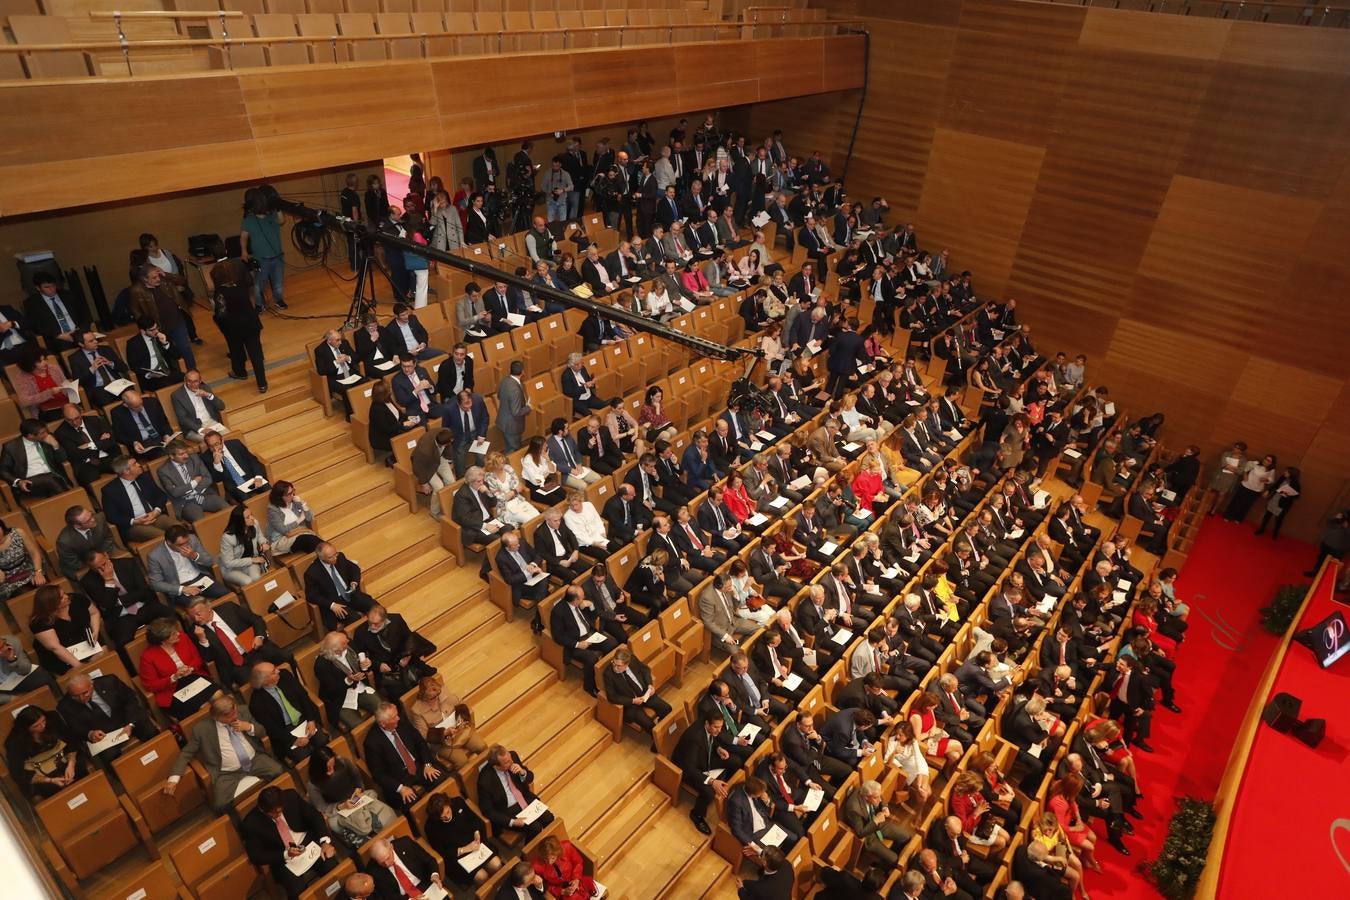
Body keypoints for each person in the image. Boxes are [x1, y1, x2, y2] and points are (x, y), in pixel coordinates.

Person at [165, 694, 283, 811]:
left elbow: (263, 731)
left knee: (278, 771)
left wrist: (249, 727)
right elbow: (186, 753)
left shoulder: (244, 711)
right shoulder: (201, 729)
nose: (235, 716)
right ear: (217, 718)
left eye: (235, 712)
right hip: (226, 773)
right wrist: (173, 779)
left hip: (254, 759)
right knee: (221, 805)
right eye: (230, 717)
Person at [240, 785, 339, 898]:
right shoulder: (251, 823)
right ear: (262, 809)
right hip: (282, 856)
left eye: (281, 810)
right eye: (274, 813)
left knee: (331, 866)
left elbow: (314, 816)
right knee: (297, 891)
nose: (279, 815)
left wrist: (325, 842)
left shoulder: (291, 796)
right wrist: (286, 854)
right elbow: (256, 855)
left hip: (307, 842)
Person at [305, 744, 396, 849]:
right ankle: (369, 846)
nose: (331, 770)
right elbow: (322, 807)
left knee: (385, 815)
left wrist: (358, 789)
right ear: (319, 768)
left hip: (357, 798)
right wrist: (341, 806)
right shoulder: (313, 785)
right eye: (328, 767)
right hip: (338, 809)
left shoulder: (343, 761)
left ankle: (390, 835)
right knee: (357, 827)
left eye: (333, 765)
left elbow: (356, 777)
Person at [56, 672, 156, 765]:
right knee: (110, 757)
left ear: (92, 685)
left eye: (85, 693)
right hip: (104, 735)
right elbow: (75, 728)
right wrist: (90, 733)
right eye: (75, 696)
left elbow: (131, 700)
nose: (81, 698)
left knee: (150, 731)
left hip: (126, 719)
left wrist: (130, 724)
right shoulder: (65, 706)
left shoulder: (110, 682)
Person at [362, 702, 446, 811]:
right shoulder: (371, 743)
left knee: (440, 780)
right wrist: (400, 788)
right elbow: (378, 774)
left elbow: (420, 742)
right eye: (394, 717)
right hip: (398, 778)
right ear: (383, 723)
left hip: (419, 765)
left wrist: (427, 764)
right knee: (413, 804)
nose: (398, 718)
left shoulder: (401, 721)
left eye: (397, 715)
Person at [138, 616, 218, 719]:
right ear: (163, 640)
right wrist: (173, 677)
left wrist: (191, 668)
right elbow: (150, 685)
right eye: (173, 634)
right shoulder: (147, 657)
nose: (178, 634)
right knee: (203, 708)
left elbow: (197, 658)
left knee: (218, 695)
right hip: (171, 689)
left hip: (193, 676)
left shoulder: (183, 638)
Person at [5, 705, 89, 800]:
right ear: (26, 728)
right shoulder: (14, 742)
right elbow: (17, 772)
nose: (43, 726)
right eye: (36, 726)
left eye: (43, 721)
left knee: (79, 770)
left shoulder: (52, 719)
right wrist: (50, 780)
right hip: (40, 772)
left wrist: (71, 765)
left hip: (62, 758)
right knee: (50, 790)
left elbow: (70, 740)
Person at [248, 661, 325, 763]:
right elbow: (272, 728)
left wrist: (311, 720)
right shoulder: (256, 703)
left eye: (275, 667)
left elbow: (303, 697)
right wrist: (294, 740)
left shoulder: (285, 675)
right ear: (265, 681)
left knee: (322, 741)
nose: (278, 671)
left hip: (303, 719)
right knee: (304, 756)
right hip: (285, 731)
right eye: (273, 672)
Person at [209, 255, 267, 390]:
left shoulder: (220, 292)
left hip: (234, 327)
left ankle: (240, 372)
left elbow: (221, 314)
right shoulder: (241, 284)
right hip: (251, 322)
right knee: (256, 353)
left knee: (236, 350)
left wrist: (215, 317)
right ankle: (262, 383)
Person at [424, 791, 502, 888]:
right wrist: (464, 849)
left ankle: (499, 888)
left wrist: (476, 833)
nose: (447, 816)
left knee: (496, 864)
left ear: (448, 804)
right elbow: (442, 852)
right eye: (443, 817)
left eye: (448, 812)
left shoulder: (457, 802)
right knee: (482, 876)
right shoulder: (431, 826)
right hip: (457, 856)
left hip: (475, 843)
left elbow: (474, 819)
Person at [476, 744, 554, 841]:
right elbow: (487, 811)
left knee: (549, 818)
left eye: (510, 758)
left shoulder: (512, 756)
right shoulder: (485, 780)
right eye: (507, 762)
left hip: (524, 798)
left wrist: (523, 772)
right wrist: (512, 822)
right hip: (507, 811)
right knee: (535, 828)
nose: (512, 762)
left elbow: (530, 778)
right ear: (496, 766)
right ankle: (527, 853)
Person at [550, 586, 618, 696]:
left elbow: (593, 617)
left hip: (590, 634)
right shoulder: (558, 611)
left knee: (612, 643)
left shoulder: (580, 604)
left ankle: (605, 674)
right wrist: (578, 644)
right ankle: (589, 686)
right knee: (591, 658)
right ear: (575, 600)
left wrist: (590, 606)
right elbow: (557, 636)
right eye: (582, 597)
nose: (584, 598)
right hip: (574, 643)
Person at [408, 675, 485, 768]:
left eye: (437, 695)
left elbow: (461, 704)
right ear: (423, 696)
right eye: (432, 698)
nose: (436, 699)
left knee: (481, 746)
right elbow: (423, 735)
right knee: (462, 761)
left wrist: (460, 719)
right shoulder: (417, 710)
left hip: (460, 731)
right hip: (442, 743)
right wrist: (443, 733)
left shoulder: (444, 691)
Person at [146, 524, 230, 606]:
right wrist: (183, 589)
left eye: (186, 542)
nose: (185, 546)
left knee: (226, 594)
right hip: (180, 586)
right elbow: (155, 584)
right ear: (169, 543)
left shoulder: (192, 539)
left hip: (200, 578)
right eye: (180, 545)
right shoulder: (155, 556)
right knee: (198, 606)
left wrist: (194, 556)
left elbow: (210, 561)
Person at [303, 542, 376, 631]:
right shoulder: (312, 573)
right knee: (354, 619)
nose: (335, 558)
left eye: (335, 554)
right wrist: (331, 605)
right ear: (321, 558)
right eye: (331, 557)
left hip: (349, 593)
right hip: (335, 603)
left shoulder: (340, 557)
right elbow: (311, 596)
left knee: (374, 606)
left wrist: (354, 582)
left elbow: (354, 568)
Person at [842, 779, 913, 868]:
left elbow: (880, 797)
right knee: (894, 859)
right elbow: (860, 833)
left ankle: (888, 855)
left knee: (906, 837)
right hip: (868, 834)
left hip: (878, 823)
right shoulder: (854, 809)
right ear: (866, 797)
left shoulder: (870, 791)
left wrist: (884, 807)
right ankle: (882, 866)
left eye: (879, 796)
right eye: (876, 798)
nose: (879, 800)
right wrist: (875, 821)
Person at [158, 439, 228, 522]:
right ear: (171, 456)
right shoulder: (164, 471)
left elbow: (207, 478)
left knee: (225, 507)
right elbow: (175, 492)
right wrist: (194, 483)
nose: (186, 456)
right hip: (186, 503)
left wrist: (193, 491)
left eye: (186, 452)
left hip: (204, 495)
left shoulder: (194, 458)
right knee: (200, 521)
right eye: (181, 454)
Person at [240, 189, 287, 311]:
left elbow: (282, 221)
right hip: (261, 260)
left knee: (278, 284)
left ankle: (279, 300)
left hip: (277, 257)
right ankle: (259, 305)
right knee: (258, 285)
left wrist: (278, 208)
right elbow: (243, 236)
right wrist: (244, 251)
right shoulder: (249, 220)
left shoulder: (272, 216)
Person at [54, 403, 120, 487]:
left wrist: (90, 445)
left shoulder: (95, 420)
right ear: (64, 418)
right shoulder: (61, 433)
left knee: (126, 468)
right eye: (69, 420)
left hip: (108, 456)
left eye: (77, 418)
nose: (74, 422)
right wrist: (99, 443)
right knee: (92, 484)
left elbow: (111, 441)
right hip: (85, 465)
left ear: (81, 412)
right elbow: (74, 454)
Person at [365, 835, 444, 898]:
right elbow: (389, 896)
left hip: (425, 884)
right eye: (382, 862)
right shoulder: (373, 870)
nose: (387, 864)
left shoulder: (405, 843)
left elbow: (429, 860)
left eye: (388, 858)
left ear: (391, 847)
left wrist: (434, 875)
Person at [10, 350, 72, 422]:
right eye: (40, 361)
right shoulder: (23, 377)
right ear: (30, 364)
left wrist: (70, 388)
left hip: (66, 404)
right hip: (47, 411)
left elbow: (65, 384)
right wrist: (49, 393)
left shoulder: (54, 368)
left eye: (45, 359)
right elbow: (24, 401)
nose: (45, 363)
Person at [219, 504, 270, 588]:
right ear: (240, 521)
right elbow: (228, 563)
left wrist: (263, 543)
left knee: (256, 578)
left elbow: (259, 536)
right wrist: (252, 560)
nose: (252, 518)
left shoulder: (254, 523)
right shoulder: (228, 538)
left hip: (251, 562)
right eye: (248, 517)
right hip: (232, 568)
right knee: (247, 581)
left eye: (251, 514)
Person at [531, 835, 596, 899]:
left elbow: (578, 862)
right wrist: (562, 891)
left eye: (553, 858)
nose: (550, 862)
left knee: (589, 888)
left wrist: (576, 878)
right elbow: (544, 886)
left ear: (557, 853)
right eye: (546, 859)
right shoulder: (537, 866)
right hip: (559, 890)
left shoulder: (566, 847)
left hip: (575, 880)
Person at [267, 480, 322, 555]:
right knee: (309, 540)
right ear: (280, 497)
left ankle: (328, 557)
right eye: (289, 494)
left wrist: (302, 503)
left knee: (315, 546)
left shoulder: (295, 502)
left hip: (301, 534)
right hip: (283, 539)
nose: (292, 495)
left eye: (292, 491)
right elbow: (283, 530)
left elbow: (309, 518)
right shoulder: (273, 509)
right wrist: (299, 520)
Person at [0, 632, 56, 704]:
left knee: (43, 677)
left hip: (14, 678)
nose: (0, 653)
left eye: (1, 647)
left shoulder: (11, 642)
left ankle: (53, 705)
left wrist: (12, 659)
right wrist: (10, 699)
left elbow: (26, 670)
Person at [0, 519, 45, 601]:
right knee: (25, 593)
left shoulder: (18, 533)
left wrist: (38, 572)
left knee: (42, 586)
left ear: (2, 527)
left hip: (28, 567)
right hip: (8, 578)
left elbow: (34, 553)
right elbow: (1, 578)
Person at [1223, 453, 1276, 522]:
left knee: (1246, 505)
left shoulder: (1271, 471)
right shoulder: (1255, 463)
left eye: (1268, 461)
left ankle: (1238, 518)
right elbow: (1246, 467)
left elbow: (1271, 479)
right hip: (1246, 485)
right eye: (1266, 459)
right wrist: (1245, 475)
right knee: (1236, 501)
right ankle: (1228, 516)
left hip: (1256, 490)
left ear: (1271, 463)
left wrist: (1266, 480)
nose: (1266, 461)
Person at [1255, 466, 1301, 539]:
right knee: (1267, 515)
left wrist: (1287, 494)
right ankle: (1262, 529)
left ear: (1291, 474)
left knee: (1279, 519)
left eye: (1286, 472)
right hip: (1274, 499)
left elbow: (1296, 496)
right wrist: (1268, 491)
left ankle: (1275, 533)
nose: (1284, 473)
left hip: (1283, 503)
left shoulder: (1296, 484)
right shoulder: (1282, 478)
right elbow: (1276, 485)